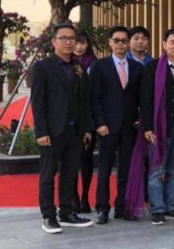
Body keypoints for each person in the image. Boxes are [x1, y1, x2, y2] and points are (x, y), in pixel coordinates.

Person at [32, 22, 94, 233]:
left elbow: (84, 101)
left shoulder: (79, 67)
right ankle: (48, 216)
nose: (68, 42)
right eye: (63, 38)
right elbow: (38, 102)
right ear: (53, 41)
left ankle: (66, 212)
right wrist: (41, 132)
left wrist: (86, 128)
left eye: (71, 38)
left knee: (70, 174)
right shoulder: (43, 67)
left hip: (75, 131)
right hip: (52, 131)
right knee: (48, 175)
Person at [140, 28, 174, 225]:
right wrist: (148, 127)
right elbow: (146, 100)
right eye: (172, 42)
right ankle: (157, 209)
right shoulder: (153, 67)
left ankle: (171, 206)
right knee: (157, 170)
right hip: (160, 127)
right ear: (164, 44)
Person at [89, 25, 143, 224]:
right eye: (116, 40)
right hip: (107, 126)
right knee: (104, 169)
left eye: (124, 40)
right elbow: (94, 97)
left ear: (129, 43)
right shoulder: (99, 66)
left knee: (126, 170)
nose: (120, 44)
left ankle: (123, 208)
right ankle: (102, 209)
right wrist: (99, 123)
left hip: (129, 126)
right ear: (110, 43)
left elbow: (141, 97)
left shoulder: (137, 68)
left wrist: (140, 119)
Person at [73, 29, 97, 215]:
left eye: (83, 43)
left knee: (86, 160)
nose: (79, 47)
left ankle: (84, 197)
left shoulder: (95, 64)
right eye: (76, 42)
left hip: (89, 120)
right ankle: (73, 197)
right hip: (70, 121)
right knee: (70, 161)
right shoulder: (65, 64)